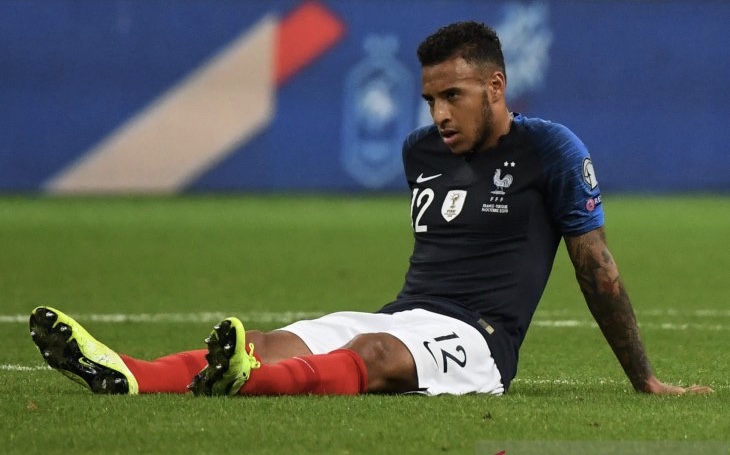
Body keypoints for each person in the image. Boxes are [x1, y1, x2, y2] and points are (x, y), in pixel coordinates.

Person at [29, 21, 712, 397]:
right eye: (430, 100)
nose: (439, 114)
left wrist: (644, 379)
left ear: (496, 86)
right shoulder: (421, 151)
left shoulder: (551, 150)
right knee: (265, 345)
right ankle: (127, 373)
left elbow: (599, 270)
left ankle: (243, 389)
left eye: (454, 96)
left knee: (374, 354)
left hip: (479, 341)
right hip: (404, 311)